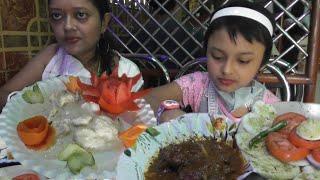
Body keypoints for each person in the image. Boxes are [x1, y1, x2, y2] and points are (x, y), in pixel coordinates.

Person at [144, 0, 280, 124]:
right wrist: (166, 112)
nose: (227, 70)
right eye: (217, 56)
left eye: (243, 61)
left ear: (262, 63)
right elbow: (150, 98)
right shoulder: (197, 85)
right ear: (207, 51)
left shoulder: (270, 105)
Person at [0, 0, 143, 109]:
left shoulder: (128, 73)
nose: (67, 26)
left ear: (104, 22)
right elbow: (4, 94)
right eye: (56, 15)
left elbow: (137, 124)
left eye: (81, 15)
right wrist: (36, 109)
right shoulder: (50, 56)